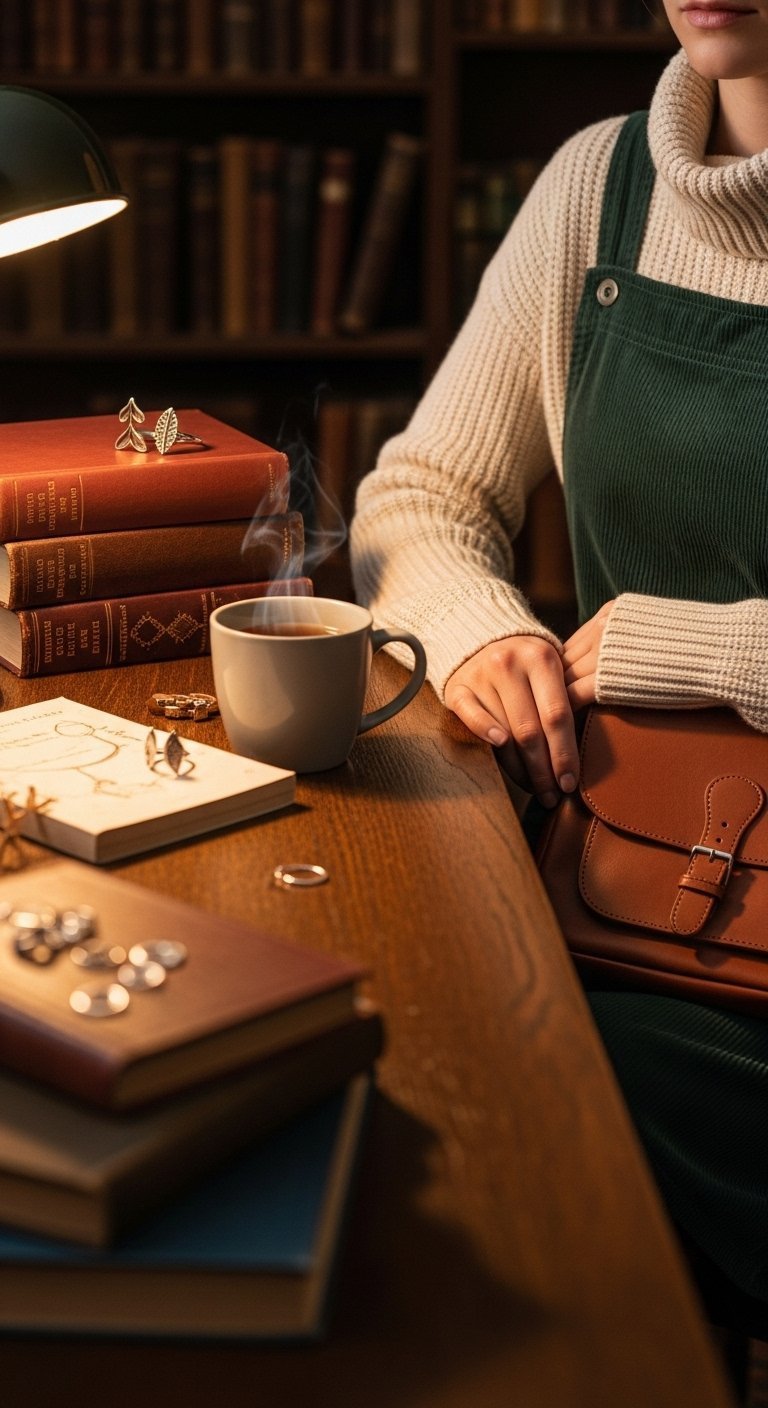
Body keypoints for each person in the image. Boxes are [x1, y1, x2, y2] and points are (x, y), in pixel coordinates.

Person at [350, 0, 768, 1329]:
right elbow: (419, 495)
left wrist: (677, 645)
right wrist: (488, 633)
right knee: (415, 1044)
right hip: (637, 877)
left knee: (547, 1107)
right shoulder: (598, 186)